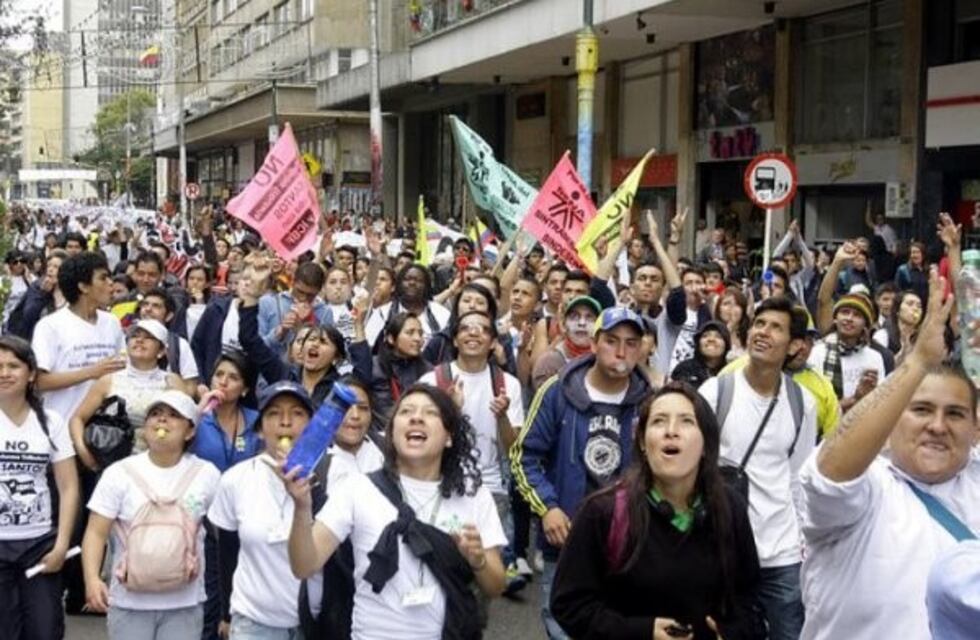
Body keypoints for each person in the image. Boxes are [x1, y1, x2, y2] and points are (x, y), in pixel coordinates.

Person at [798, 267, 980, 639]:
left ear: (976, 428)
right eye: (922, 410)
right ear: (893, 416)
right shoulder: (869, 487)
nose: (938, 426)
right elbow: (829, 474)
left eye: (956, 414)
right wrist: (916, 364)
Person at [281, 384, 507, 639]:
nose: (416, 417)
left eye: (430, 413)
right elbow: (304, 566)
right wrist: (301, 509)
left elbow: (496, 586)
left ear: (449, 436)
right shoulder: (357, 488)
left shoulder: (473, 495)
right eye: (406, 411)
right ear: (391, 432)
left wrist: (478, 560)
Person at [550, 383, 763, 640]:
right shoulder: (603, 512)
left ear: (706, 442)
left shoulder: (729, 507)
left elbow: (749, 600)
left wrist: (730, 633)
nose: (671, 432)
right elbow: (569, 605)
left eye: (686, 421)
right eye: (659, 421)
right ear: (642, 441)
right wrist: (641, 632)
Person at [513, 306, 653, 640]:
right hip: (567, 544)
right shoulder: (556, 391)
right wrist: (548, 508)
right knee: (564, 627)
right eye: (611, 341)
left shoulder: (651, 401)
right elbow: (523, 457)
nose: (621, 351)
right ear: (593, 344)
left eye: (631, 343)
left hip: (630, 546)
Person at [698, 296, 819, 640]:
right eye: (760, 324)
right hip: (723, 546)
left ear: (795, 345)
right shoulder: (716, 392)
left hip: (781, 551)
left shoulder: (802, 404)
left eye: (776, 327)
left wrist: (803, 541)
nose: (763, 333)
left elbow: (798, 478)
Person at [81, 390, 220, 640]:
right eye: (155, 414)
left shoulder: (207, 474)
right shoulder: (118, 473)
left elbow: (223, 533)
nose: (162, 421)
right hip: (128, 602)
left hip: (185, 603)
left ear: (190, 431)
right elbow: (95, 532)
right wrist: (92, 579)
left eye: (173, 415)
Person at [207, 381, 324, 639]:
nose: (285, 422)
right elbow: (226, 552)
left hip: (314, 623)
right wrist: (226, 614)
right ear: (259, 429)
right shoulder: (236, 479)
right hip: (254, 622)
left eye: (297, 413)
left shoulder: (334, 477)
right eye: (273, 414)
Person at [0, 336, 79, 640]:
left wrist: (61, 545)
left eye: (13, 366)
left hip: (39, 546)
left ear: (31, 373)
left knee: (45, 631)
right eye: (0, 366)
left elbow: (69, 486)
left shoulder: (50, 421)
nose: (5, 373)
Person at [32, 252, 126, 435]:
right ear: (83, 286)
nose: (111, 284)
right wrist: (91, 372)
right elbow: (38, 381)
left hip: (106, 433)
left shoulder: (112, 322)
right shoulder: (50, 326)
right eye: (103, 278)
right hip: (61, 429)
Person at [69, 319, 185, 467]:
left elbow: (187, 424)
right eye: (135, 336)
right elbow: (77, 418)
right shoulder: (108, 380)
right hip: (115, 463)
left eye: (148, 337)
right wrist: (83, 451)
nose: (140, 340)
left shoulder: (173, 381)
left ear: (161, 351)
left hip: (160, 463)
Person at [351, 296, 432, 434]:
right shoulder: (374, 366)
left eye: (420, 333)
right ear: (391, 338)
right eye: (410, 333)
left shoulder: (428, 372)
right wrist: (358, 324)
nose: (418, 339)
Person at [809, 292, 888, 410]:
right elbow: (812, 406)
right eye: (845, 312)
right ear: (835, 319)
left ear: (865, 325)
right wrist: (855, 399)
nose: (849, 319)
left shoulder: (874, 357)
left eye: (857, 315)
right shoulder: (818, 352)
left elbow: (879, 402)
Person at [364, 264, 451, 348]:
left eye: (419, 280)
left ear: (426, 286)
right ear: (399, 284)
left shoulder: (442, 314)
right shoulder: (383, 313)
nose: (412, 283)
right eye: (407, 279)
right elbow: (369, 345)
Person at [257, 261, 332, 356]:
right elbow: (255, 348)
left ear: (319, 291)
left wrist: (307, 323)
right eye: (300, 291)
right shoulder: (268, 303)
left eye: (310, 295)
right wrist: (280, 332)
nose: (303, 298)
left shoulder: (325, 312)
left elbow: (326, 352)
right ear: (293, 282)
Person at [531, 296, 601, 390]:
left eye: (589, 317)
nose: (582, 323)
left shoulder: (605, 361)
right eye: (574, 317)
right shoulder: (549, 363)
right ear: (564, 325)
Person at [671, 321, 731, 388]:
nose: (711, 339)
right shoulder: (684, 369)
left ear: (727, 345)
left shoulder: (731, 372)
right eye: (705, 336)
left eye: (718, 336)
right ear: (698, 343)